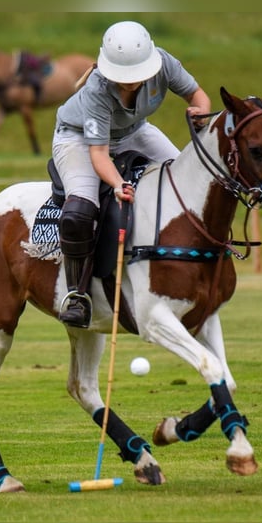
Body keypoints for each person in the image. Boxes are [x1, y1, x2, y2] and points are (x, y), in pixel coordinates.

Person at [51, 20, 211, 328]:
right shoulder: (98, 89)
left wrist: (200, 112)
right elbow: (98, 153)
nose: (131, 83)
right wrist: (117, 183)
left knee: (187, 180)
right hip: (78, 138)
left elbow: (198, 96)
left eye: (137, 76)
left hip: (134, 131)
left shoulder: (165, 63)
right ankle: (78, 295)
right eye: (124, 78)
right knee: (81, 210)